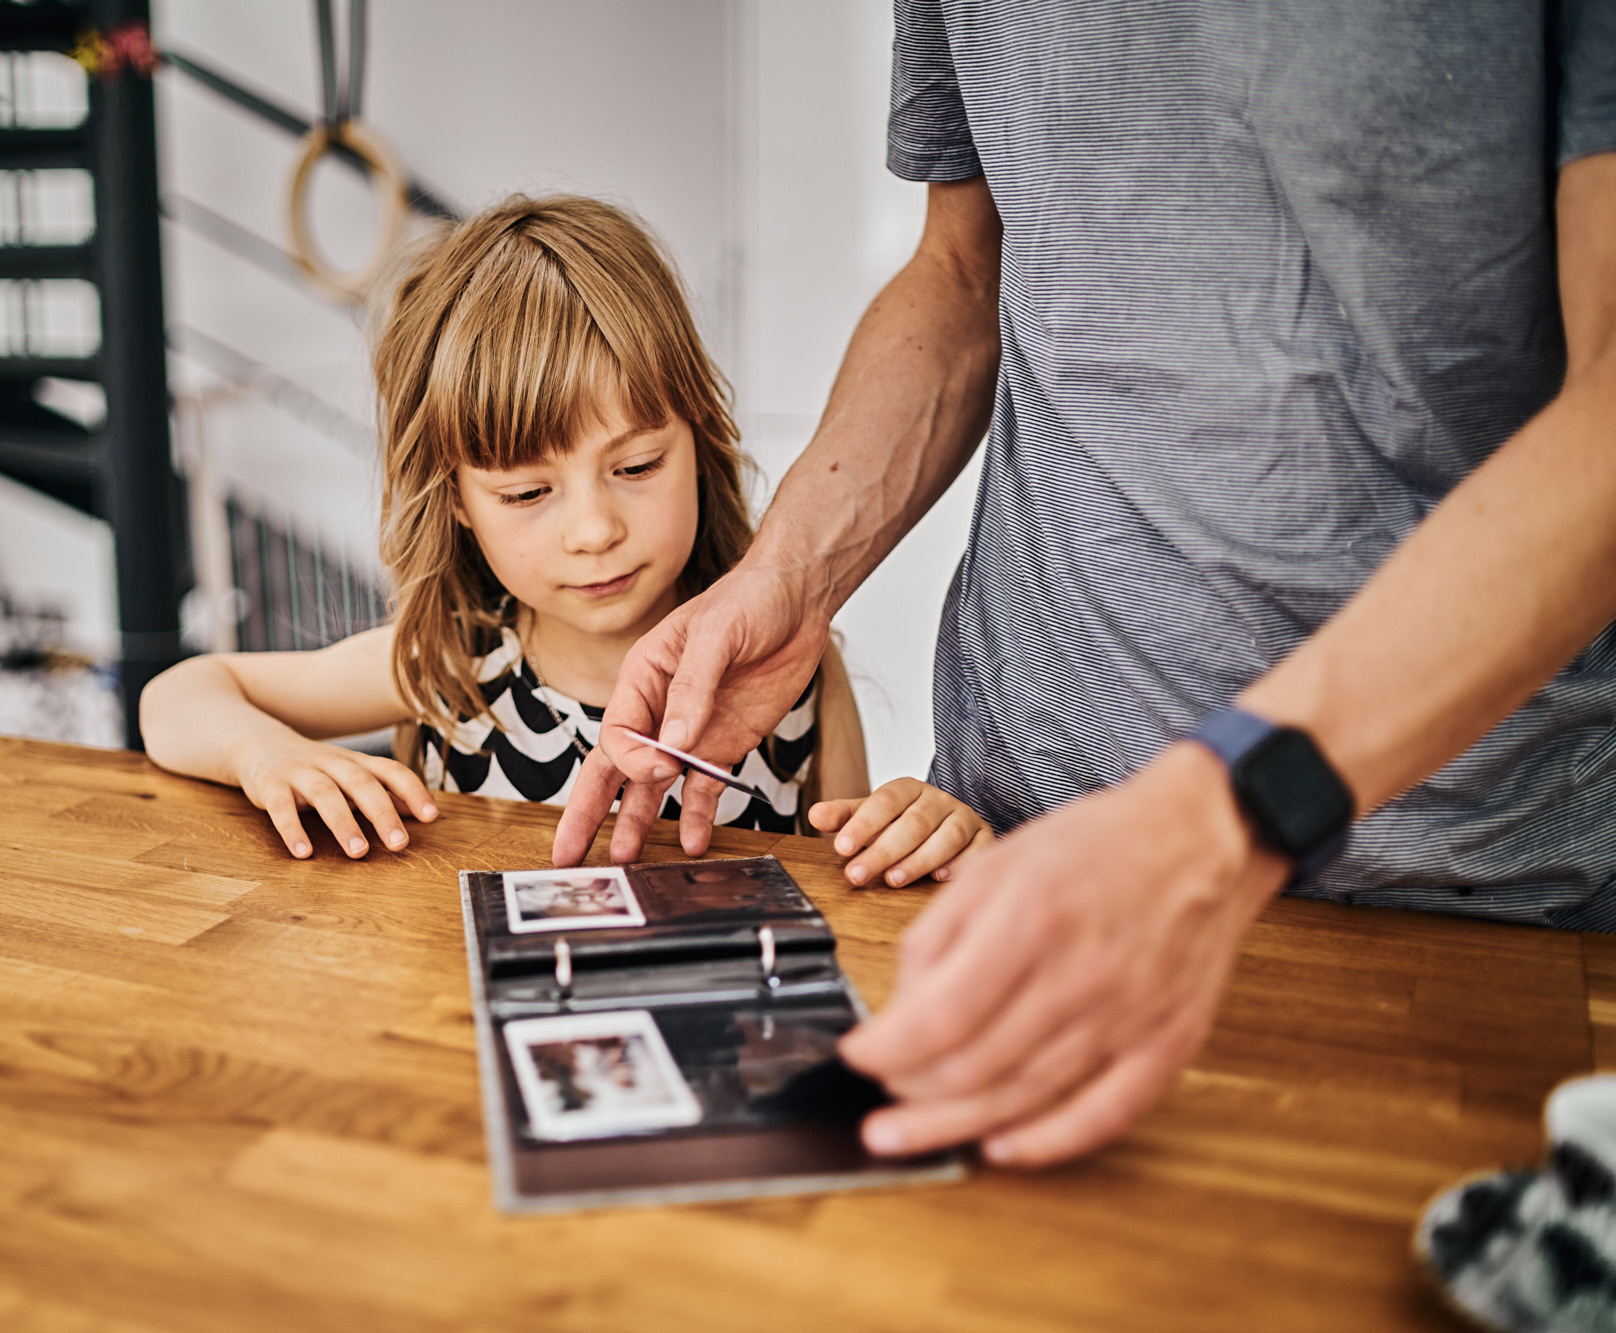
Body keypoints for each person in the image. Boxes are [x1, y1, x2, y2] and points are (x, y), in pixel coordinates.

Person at [555, 3, 1616, 1171]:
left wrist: (1213, 818)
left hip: (1478, 902)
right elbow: (962, 271)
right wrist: (789, 576)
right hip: (1015, 848)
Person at [142, 194, 992, 879]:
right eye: (527, 491)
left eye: (636, 467)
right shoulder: (445, 665)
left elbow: (850, 899)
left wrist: (920, 835)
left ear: (699, 443)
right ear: (458, 504)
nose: (593, 530)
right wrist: (265, 754)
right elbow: (176, 696)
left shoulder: (796, 672)